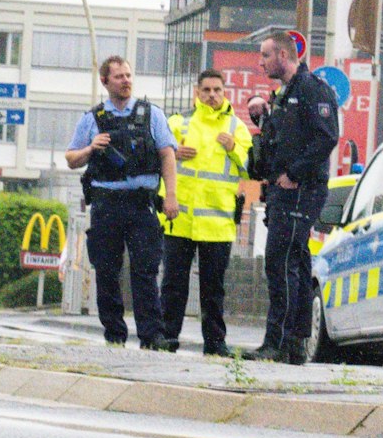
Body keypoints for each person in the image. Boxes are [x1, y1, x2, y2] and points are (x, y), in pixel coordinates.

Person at [64, 56, 179, 349]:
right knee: (106, 270)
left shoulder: (152, 114)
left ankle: (152, 335)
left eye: (128, 75)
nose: (126, 81)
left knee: (145, 270)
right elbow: (71, 158)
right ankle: (114, 334)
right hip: (107, 204)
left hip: (142, 204)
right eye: (119, 77)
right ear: (105, 82)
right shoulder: (92, 118)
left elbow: (167, 154)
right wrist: (91, 148)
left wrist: (171, 196)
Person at [249, 31, 339, 364]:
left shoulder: (312, 89)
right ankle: (295, 343)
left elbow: (326, 137)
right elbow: (281, 140)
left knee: (280, 261)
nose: (261, 63)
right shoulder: (285, 94)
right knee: (295, 261)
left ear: (284, 56)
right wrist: (262, 116)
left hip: (300, 190)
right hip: (282, 191)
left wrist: (294, 174)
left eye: (265, 55)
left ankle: (277, 342)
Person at [160, 70, 252, 356]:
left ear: (225, 93)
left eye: (217, 90)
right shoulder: (178, 123)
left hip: (217, 222)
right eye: (207, 90)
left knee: (213, 288)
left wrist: (233, 148)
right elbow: (156, 157)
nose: (212, 95)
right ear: (197, 93)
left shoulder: (236, 127)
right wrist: (173, 153)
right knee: (173, 284)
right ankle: (167, 337)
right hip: (179, 218)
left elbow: (251, 167)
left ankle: (215, 343)